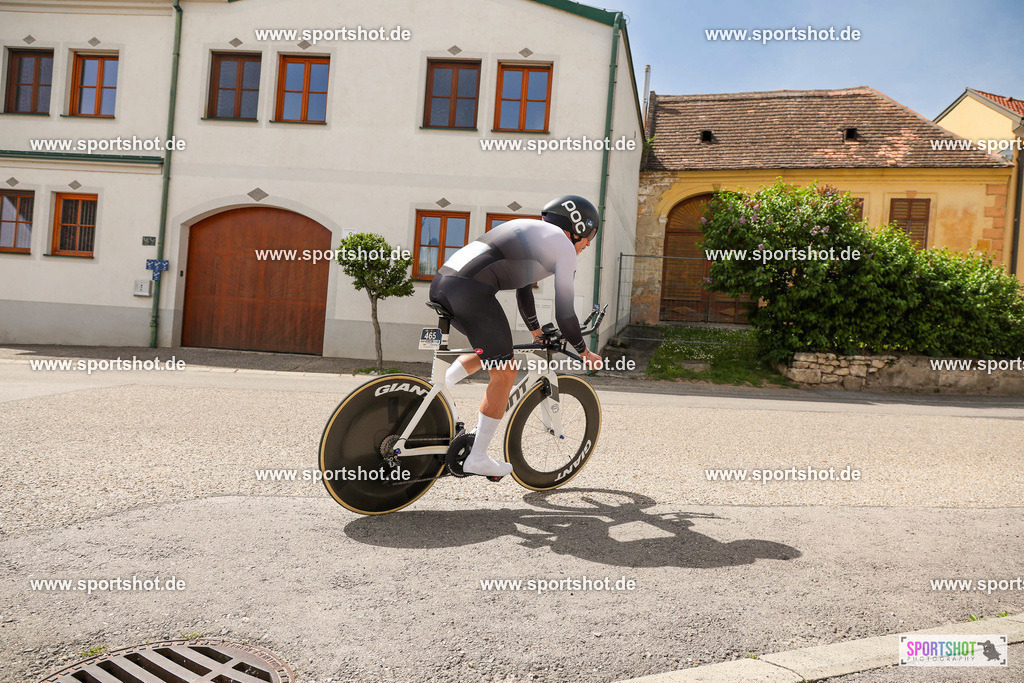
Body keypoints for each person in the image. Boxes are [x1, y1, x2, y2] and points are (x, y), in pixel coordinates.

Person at [428, 195, 604, 477]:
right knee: (505, 372)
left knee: (494, 353)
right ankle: (478, 458)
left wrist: (535, 330)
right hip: (471, 292)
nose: (588, 244)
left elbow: (523, 287)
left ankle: (434, 396)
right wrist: (584, 351)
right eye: (589, 235)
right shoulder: (563, 246)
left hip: (443, 284)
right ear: (577, 228)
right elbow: (565, 313)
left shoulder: (533, 231)